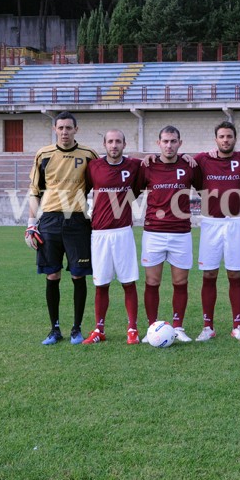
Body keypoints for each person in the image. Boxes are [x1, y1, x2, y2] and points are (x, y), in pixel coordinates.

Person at [26, 111, 98, 345]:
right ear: (55, 129)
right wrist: (30, 223)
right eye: (61, 128)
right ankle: (54, 329)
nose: (64, 132)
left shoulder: (88, 155)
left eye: (69, 128)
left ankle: (77, 328)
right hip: (49, 222)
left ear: (76, 129)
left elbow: (101, 185)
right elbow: (34, 191)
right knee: (52, 274)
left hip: (77, 220)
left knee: (78, 275)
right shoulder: (43, 154)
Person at [192, 121, 240, 341]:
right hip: (210, 223)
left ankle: (237, 325)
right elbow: (182, 161)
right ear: (216, 139)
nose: (225, 140)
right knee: (209, 274)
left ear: (235, 138)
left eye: (229, 136)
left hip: (234, 223)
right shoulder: (203, 159)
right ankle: (207, 327)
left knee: (235, 274)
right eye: (221, 137)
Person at [140, 125, 202, 343]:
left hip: (181, 233)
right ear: (158, 143)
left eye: (173, 141)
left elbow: (206, 181)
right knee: (152, 281)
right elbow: (131, 190)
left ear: (180, 143)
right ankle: (151, 327)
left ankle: (178, 326)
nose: (169, 145)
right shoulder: (147, 166)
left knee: (180, 282)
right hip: (154, 232)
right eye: (165, 141)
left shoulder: (189, 166)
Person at [82, 129, 143, 345]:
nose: (114, 145)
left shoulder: (134, 165)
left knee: (128, 282)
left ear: (124, 144)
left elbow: (138, 188)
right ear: (104, 144)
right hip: (99, 233)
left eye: (118, 141)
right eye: (110, 141)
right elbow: (84, 190)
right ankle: (99, 329)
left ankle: (132, 329)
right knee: (101, 284)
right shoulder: (94, 167)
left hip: (123, 232)